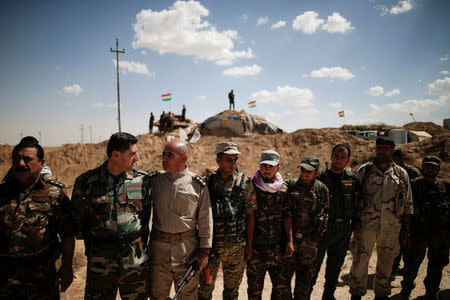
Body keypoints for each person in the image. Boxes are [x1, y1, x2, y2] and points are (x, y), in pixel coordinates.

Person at [71, 132, 151, 300]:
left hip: (134, 265)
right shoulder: (86, 183)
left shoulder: (142, 180)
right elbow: (79, 223)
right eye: (132, 154)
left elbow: (145, 218)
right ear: (116, 155)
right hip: (101, 266)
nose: (136, 158)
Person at [0, 136, 74, 299]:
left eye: (27, 159)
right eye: (16, 159)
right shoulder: (1, 194)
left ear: (41, 163)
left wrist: (67, 267)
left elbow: (67, 235)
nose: (20, 164)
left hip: (41, 282)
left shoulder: (55, 195)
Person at [349, 137, 413, 300]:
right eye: (379, 147)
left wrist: (405, 228)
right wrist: (355, 218)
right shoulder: (365, 170)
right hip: (366, 225)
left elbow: (407, 202)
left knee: (386, 262)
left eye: (385, 148)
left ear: (392, 151)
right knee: (360, 260)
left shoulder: (401, 173)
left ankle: (382, 294)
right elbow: (355, 196)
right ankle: (356, 293)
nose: (381, 151)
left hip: (391, 227)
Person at [149, 139, 213, 300]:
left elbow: (206, 219)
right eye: (163, 154)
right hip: (159, 251)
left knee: (187, 296)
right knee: (157, 295)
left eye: (169, 155)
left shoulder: (197, 184)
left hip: (187, 252)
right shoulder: (154, 181)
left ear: (184, 158)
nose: (164, 159)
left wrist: (204, 251)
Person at [198, 142, 255, 300]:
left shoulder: (245, 183)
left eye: (235, 159)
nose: (233, 164)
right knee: (204, 291)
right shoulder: (207, 183)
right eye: (229, 159)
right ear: (218, 161)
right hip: (212, 250)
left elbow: (250, 215)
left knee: (231, 293)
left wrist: (249, 246)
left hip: (236, 250)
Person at [310, 144, 358, 300]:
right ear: (331, 156)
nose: (338, 160)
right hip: (322, 229)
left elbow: (358, 204)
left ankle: (328, 296)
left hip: (343, 230)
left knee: (335, 268)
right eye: (336, 156)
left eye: (342, 157)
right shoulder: (320, 177)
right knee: (313, 268)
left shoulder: (352, 178)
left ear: (348, 160)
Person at [247, 150, 294, 300]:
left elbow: (287, 216)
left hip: (277, 248)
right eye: (264, 165)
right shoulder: (251, 186)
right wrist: (248, 245)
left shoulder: (283, 189)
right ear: (259, 166)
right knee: (254, 292)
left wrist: (289, 241)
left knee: (282, 291)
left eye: (271, 166)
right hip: (256, 250)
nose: (267, 169)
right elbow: (248, 217)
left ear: (278, 168)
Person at [401, 156, 449, 300]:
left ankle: (432, 290)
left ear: (438, 169)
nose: (430, 169)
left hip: (439, 234)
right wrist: (406, 229)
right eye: (427, 166)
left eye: (434, 167)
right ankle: (406, 288)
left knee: (437, 264)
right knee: (411, 263)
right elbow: (405, 208)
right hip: (418, 233)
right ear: (422, 167)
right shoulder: (414, 185)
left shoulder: (445, 186)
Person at [288, 155, 329, 300]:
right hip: (290, 242)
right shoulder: (290, 185)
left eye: (309, 171)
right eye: (303, 170)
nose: (304, 173)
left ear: (317, 173)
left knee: (304, 285)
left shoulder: (321, 189)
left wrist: (316, 238)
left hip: (309, 244)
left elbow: (325, 214)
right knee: (283, 284)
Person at [391, 147, 421, 277]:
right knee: (396, 242)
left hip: (411, 211)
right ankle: (394, 268)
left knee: (408, 243)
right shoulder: (393, 171)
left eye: (396, 158)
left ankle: (406, 268)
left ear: (402, 158)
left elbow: (417, 191)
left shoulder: (411, 172)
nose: (395, 161)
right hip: (398, 211)